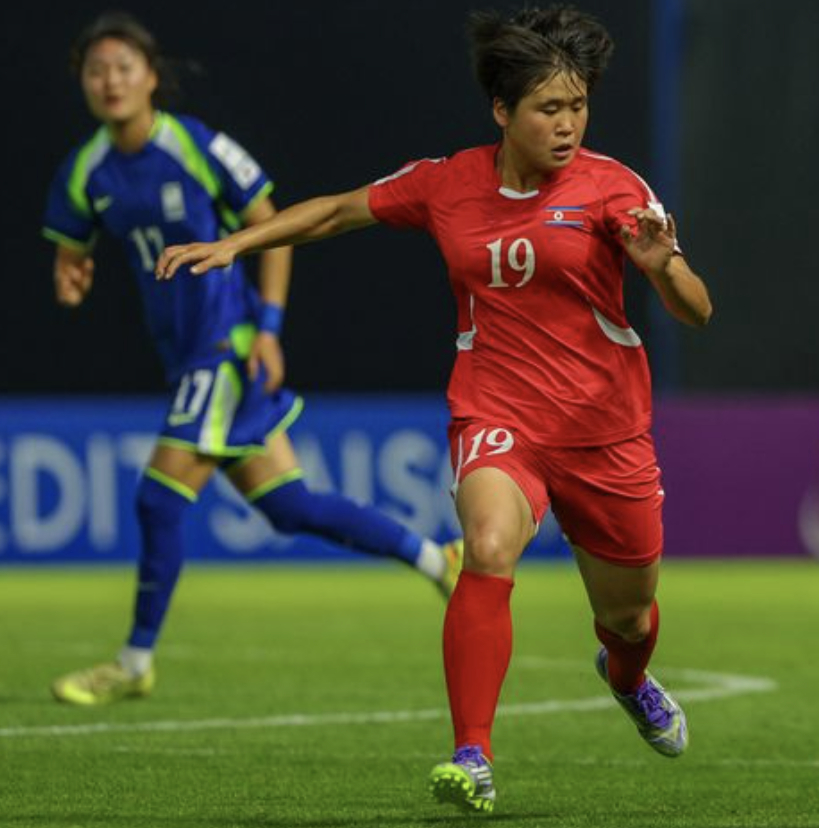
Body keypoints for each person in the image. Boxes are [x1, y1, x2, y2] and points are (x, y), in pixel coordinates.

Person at [155, 4, 713, 815]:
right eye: (547, 109)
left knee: (626, 620)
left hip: (605, 431)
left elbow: (699, 309)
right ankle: (472, 755)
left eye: (578, 106)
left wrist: (662, 269)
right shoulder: (447, 183)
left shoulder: (613, 186)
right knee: (486, 545)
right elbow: (340, 210)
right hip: (497, 412)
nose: (567, 125)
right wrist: (238, 245)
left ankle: (628, 680)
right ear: (502, 110)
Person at [42, 12, 464, 707]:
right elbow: (72, 250)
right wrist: (71, 274)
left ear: (151, 76)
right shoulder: (85, 170)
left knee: (156, 497)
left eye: (123, 67)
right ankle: (434, 555)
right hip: (184, 357)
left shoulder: (195, 145)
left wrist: (267, 327)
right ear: (83, 84)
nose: (110, 80)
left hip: (225, 346)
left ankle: (133, 660)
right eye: (96, 70)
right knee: (290, 506)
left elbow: (273, 226)